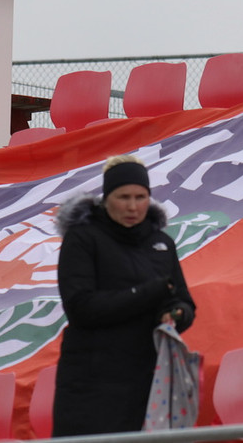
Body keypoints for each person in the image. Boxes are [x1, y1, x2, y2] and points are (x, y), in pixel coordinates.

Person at [52, 155, 195, 436]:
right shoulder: (82, 238)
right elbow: (81, 308)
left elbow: (183, 301)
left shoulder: (161, 243)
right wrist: (149, 293)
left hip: (148, 378)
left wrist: (176, 315)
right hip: (91, 382)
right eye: (123, 197)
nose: (133, 206)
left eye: (140, 197)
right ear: (106, 198)